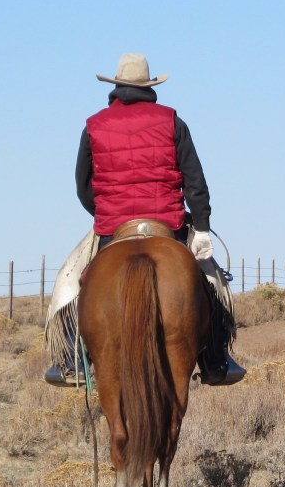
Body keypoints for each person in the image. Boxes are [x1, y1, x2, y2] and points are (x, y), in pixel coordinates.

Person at [43, 53, 245, 387]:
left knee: (69, 284)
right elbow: (196, 182)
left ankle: (70, 360)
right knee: (213, 284)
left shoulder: (94, 125)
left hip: (113, 226)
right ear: (149, 87)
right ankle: (216, 359)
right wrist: (202, 228)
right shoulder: (172, 121)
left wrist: (106, 212)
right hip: (169, 224)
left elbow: (83, 186)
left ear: (116, 86)